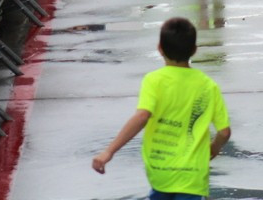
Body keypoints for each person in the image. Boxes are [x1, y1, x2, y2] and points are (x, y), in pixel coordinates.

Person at [92, 17, 231, 197]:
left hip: (160, 172)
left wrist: (109, 151)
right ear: (194, 50)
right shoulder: (208, 86)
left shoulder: (154, 81)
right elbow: (224, 132)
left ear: (160, 48)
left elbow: (142, 116)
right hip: (192, 175)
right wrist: (214, 147)